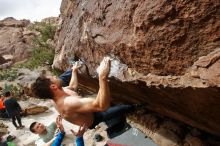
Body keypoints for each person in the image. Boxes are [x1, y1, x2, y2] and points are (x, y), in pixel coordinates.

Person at [31, 57, 142, 129]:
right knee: (121, 108)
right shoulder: (68, 103)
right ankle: (137, 106)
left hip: (85, 109)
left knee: (107, 98)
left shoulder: (55, 94)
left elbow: (73, 87)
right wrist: (102, 77)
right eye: (53, 78)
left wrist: (74, 71)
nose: (55, 76)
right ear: (53, 86)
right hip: (95, 118)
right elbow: (101, 106)